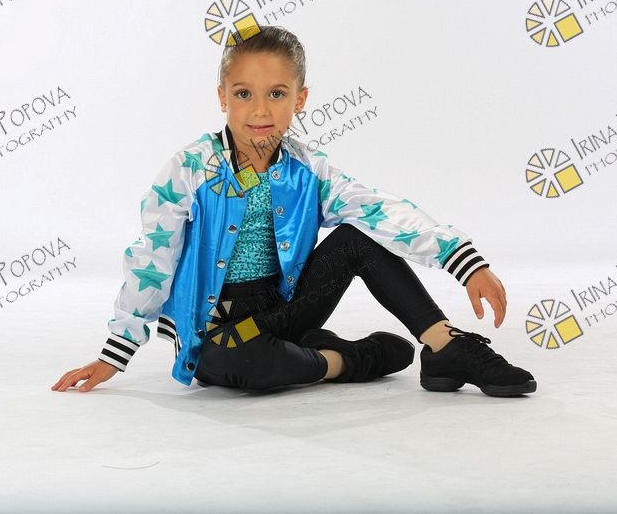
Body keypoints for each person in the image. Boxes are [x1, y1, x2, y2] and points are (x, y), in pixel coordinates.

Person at [52, 26, 536, 397]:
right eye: (243, 93)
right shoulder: (191, 169)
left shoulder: (308, 170)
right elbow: (152, 257)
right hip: (224, 329)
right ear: (222, 97)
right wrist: (116, 353)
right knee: (229, 363)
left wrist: (461, 258)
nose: (259, 110)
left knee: (359, 236)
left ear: (299, 100)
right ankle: (345, 360)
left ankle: (444, 346)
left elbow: (379, 210)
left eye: (277, 94)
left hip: (284, 310)